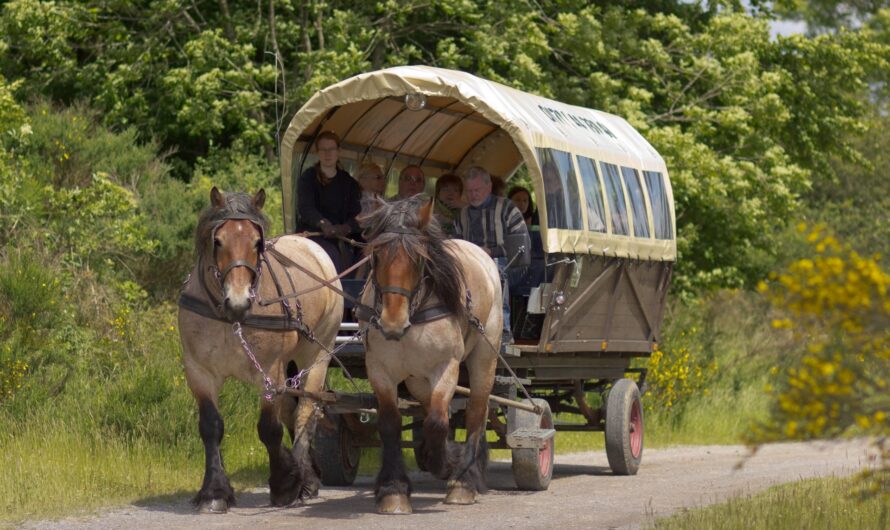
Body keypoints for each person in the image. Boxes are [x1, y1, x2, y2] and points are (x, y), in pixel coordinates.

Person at [452, 167, 530, 345]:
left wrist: (491, 252)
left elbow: (520, 247)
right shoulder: (461, 216)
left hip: (509, 264)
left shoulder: (507, 209)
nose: (473, 195)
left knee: (496, 269)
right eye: (469, 191)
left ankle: (503, 331)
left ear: (488, 188)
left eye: (477, 190)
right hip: (471, 264)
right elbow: (455, 243)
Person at [295, 131, 362, 273]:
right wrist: (322, 223)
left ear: (339, 151)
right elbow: (306, 208)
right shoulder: (308, 178)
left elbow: (357, 215)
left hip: (341, 239)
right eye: (323, 150)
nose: (327, 153)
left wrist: (345, 228)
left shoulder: (349, 183)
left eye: (331, 149)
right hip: (312, 235)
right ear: (317, 152)